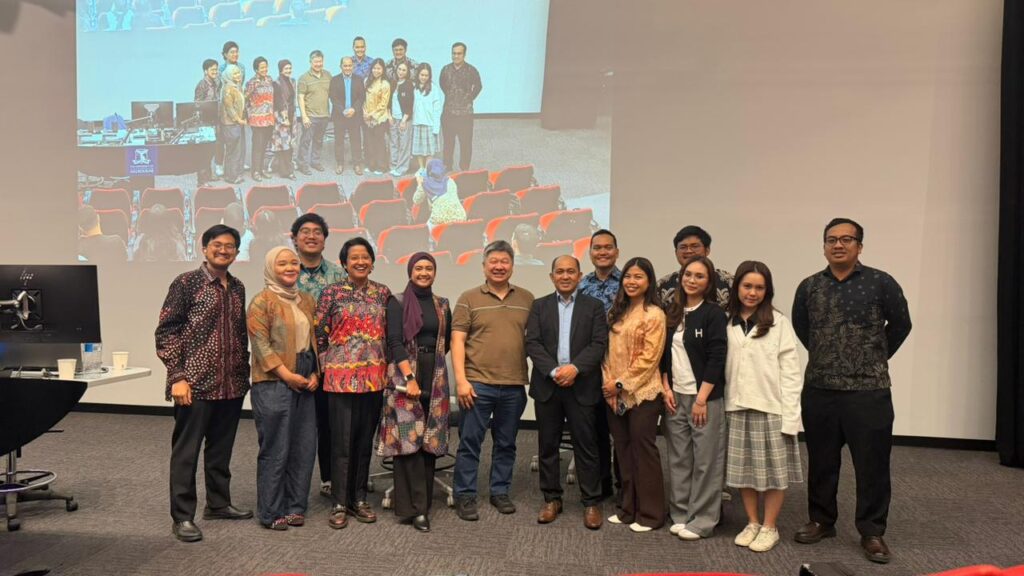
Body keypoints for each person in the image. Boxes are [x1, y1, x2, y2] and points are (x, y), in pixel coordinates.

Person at [792, 218, 912, 565]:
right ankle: (821, 520)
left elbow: (901, 324)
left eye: (846, 239)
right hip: (820, 389)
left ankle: (872, 531)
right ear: (824, 246)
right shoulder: (810, 286)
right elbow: (803, 327)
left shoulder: (881, 282)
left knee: (872, 463)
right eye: (831, 239)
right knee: (821, 460)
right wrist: (829, 356)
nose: (838, 245)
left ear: (860, 246)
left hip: (869, 390)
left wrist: (873, 356)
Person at [156, 224, 252, 543]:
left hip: (231, 383)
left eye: (230, 246)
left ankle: (219, 504)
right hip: (194, 384)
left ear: (237, 252)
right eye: (217, 245)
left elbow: (239, 333)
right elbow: (166, 332)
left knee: (220, 450)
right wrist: (177, 377)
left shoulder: (237, 287)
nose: (223, 250)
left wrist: (243, 372)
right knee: (187, 453)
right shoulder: (186, 283)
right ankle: (183, 517)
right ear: (205, 248)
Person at [315, 238, 408, 529]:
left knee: (363, 441)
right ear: (344, 263)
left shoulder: (383, 293)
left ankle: (359, 498)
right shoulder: (331, 293)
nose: (360, 262)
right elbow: (320, 334)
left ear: (372, 262)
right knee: (341, 442)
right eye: (353, 257)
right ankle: (339, 502)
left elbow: (391, 335)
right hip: (339, 380)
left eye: (365, 257)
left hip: (373, 379)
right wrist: (325, 369)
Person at [451, 240, 535, 521]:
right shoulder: (468, 298)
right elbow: (457, 341)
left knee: (507, 443)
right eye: (493, 262)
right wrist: (461, 381)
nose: (499, 266)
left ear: (512, 265)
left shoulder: (527, 299)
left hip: (513, 385)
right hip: (477, 384)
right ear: (484, 266)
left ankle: (500, 491)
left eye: (504, 261)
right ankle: (465, 494)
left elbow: (534, 341)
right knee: (470, 442)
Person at [724, 261, 803, 553]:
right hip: (736, 406)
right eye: (747, 286)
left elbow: (791, 372)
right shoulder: (727, 321)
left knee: (773, 474)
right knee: (743, 471)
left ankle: (770, 526)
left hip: (771, 408)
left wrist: (791, 415)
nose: (752, 292)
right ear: (737, 287)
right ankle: (753, 522)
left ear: (767, 291)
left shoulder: (778, 323)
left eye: (759, 287)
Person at [525, 255, 608, 530]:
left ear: (579, 276)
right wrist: (554, 371)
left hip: (581, 385)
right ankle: (551, 499)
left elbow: (599, 344)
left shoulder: (594, 306)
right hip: (548, 386)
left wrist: (574, 369)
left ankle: (591, 502)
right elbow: (533, 343)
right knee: (547, 446)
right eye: (559, 271)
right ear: (551, 277)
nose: (565, 276)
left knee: (586, 445)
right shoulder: (539, 306)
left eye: (570, 271)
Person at [378, 252, 453, 532]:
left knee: (429, 439)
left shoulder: (442, 304)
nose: (424, 272)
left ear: (435, 272)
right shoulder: (396, 302)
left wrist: (430, 367)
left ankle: (423, 505)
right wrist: (409, 377)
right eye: (418, 268)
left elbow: (445, 342)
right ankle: (413, 509)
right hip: (404, 373)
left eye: (428, 268)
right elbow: (395, 342)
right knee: (408, 440)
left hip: (435, 374)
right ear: (410, 271)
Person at [247, 246, 319, 531]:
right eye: (282, 264)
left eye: (294, 263)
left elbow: (315, 341)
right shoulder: (261, 302)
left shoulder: (307, 300)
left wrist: (315, 373)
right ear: (270, 268)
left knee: (303, 446)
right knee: (276, 447)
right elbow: (260, 346)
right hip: (274, 380)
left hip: (305, 377)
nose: (290, 268)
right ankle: (271, 511)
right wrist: (288, 375)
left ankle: (295, 506)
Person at [660, 256, 729, 541]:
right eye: (688, 274)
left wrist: (702, 399)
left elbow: (717, 357)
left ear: (709, 282)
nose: (692, 280)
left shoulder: (713, 314)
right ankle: (680, 514)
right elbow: (663, 355)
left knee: (706, 461)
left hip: (704, 399)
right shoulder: (672, 312)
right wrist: (666, 387)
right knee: (679, 458)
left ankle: (702, 520)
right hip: (675, 396)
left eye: (700, 276)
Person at [601, 257, 666, 533]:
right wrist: (609, 385)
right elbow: (606, 353)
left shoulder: (655, 314)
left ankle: (650, 514)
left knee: (643, 452)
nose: (631, 281)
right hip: (614, 394)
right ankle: (627, 509)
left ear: (649, 281)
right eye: (628, 276)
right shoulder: (618, 311)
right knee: (623, 452)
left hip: (643, 394)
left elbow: (650, 359)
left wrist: (620, 384)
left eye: (638, 277)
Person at [290, 213, 346, 499]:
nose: (311, 236)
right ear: (294, 238)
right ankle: (291, 485)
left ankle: (329, 478)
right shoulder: (286, 271)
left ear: (325, 239)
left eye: (317, 232)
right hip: (294, 357)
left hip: (331, 358)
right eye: (305, 231)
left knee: (329, 422)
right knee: (294, 424)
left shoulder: (339, 275)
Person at [577, 228, 622, 503]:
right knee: (596, 430)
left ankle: (625, 486)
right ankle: (602, 484)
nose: (602, 252)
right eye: (597, 248)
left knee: (622, 430)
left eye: (608, 247)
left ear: (616, 251)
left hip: (620, 367)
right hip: (590, 367)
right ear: (590, 252)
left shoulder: (628, 282)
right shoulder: (582, 285)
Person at [657, 225, 733, 307]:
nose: (689, 251)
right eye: (683, 247)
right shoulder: (662, 284)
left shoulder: (729, 281)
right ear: (676, 252)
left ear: (707, 250)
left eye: (695, 246)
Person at [440, 42, 483, 172]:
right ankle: (447, 166)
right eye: (454, 53)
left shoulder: (471, 70)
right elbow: (443, 85)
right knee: (448, 143)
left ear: (464, 54)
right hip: (448, 113)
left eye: (459, 53)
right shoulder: (446, 70)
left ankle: (464, 168)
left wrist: (469, 98)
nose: (456, 56)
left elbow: (478, 86)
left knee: (465, 143)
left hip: (465, 114)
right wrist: (452, 96)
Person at [329, 56, 366, 175]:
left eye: (350, 65)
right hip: (340, 116)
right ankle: (340, 163)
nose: (347, 68)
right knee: (339, 140)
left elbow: (362, 97)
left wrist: (354, 109)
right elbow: (333, 98)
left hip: (354, 115)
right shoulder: (334, 80)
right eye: (345, 66)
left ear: (353, 66)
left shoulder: (359, 79)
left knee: (356, 140)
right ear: (341, 66)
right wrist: (343, 111)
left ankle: (357, 164)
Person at [297, 50, 332, 175]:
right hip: (310, 116)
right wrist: (304, 116)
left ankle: (315, 161)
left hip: (324, 115)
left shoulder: (328, 75)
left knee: (318, 140)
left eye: (320, 61)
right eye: (315, 62)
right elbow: (300, 97)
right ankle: (302, 164)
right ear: (310, 62)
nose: (318, 64)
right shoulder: (304, 78)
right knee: (306, 141)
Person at [411, 158, 466, 229]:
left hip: (438, 218)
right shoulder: (450, 181)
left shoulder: (424, 183)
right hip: (460, 216)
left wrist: (419, 184)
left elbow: (416, 200)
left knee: (425, 232)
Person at [245, 57, 276, 181]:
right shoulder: (252, 82)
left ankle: (262, 169)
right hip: (257, 119)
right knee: (257, 146)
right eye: (262, 67)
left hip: (269, 118)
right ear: (256, 69)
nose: (265, 69)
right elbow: (245, 98)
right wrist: (250, 113)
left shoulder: (270, 79)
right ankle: (255, 171)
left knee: (264, 146)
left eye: (266, 67)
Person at [410, 63, 441, 173]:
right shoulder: (414, 87)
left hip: (429, 123)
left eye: (426, 75)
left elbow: (437, 109)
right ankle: (421, 168)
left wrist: (436, 126)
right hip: (417, 122)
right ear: (418, 74)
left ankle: (427, 169)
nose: (423, 77)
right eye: (422, 75)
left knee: (429, 151)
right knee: (419, 150)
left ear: (429, 76)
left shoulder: (434, 88)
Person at [195, 58, 222, 183]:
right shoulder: (202, 85)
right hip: (205, 122)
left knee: (212, 148)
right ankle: (203, 177)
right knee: (204, 150)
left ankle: (209, 174)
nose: (215, 72)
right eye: (212, 70)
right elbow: (197, 103)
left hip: (214, 120)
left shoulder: (216, 83)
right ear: (206, 71)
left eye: (216, 69)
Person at [362, 58, 391, 176]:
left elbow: (383, 104)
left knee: (379, 143)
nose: (376, 71)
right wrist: (365, 113)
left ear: (383, 70)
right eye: (374, 68)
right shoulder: (367, 81)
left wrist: (371, 115)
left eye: (379, 68)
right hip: (367, 118)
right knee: (369, 142)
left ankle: (381, 166)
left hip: (379, 118)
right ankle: (371, 165)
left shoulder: (385, 84)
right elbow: (364, 99)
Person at [220, 64, 246, 184]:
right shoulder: (228, 88)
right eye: (235, 73)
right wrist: (238, 120)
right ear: (229, 75)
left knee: (238, 150)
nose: (238, 75)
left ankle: (235, 174)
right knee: (233, 151)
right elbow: (229, 108)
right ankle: (231, 176)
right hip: (230, 124)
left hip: (237, 123)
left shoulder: (237, 86)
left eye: (238, 72)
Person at [388, 61, 415, 177]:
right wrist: (389, 116)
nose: (401, 72)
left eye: (404, 70)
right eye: (399, 69)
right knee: (393, 142)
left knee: (404, 145)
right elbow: (388, 101)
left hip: (404, 119)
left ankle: (402, 168)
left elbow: (410, 105)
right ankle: (394, 165)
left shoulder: (409, 85)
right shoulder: (393, 83)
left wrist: (404, 120)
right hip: (393, 118)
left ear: (407, 72)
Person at [271, 59, 297, 179]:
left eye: (290, 68)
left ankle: (288, 167)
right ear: (280, 70)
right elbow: (278, 102)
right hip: (281, 116)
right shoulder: (276, 83)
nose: (288, 70)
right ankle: (285, 171)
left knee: (290, 142)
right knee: (283, 144)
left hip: (291, 114)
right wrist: (283, 118)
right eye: (286, 68)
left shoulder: (293, 81)